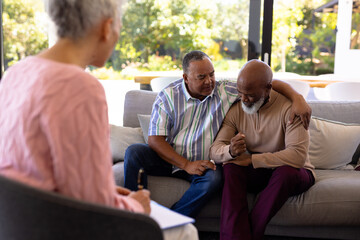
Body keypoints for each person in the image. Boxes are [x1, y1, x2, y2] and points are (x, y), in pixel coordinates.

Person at [0, 1, 197, 239]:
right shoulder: (80, 86)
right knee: (185, 231)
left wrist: (104, 191)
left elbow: (35, 171)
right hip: (60, 226)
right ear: (106, 27)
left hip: (16, 222)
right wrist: (136, 207)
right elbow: (92, 209)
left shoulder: (15, 74)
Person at [124, 50, 312, 218]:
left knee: (215, 179)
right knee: (133, 152)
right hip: (170, 159)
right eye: (201, 77)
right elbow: (155, 140)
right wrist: (185, 164)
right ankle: (134, 215)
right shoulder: (168, 96)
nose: (209, 81)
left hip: (204, 165)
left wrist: (297, 97)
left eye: (212, 74)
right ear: (186, 77)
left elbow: (265, 82)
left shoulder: (227, 91)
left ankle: (170, 222)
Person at [210, 59, 315, 240]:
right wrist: (231, 151)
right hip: (259, 173)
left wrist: (252, 160)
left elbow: (297, 157)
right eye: (241, 92)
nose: (243, 98)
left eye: (250, 94)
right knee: (230, 166)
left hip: (294, 172)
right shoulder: (236, 108)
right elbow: (215, 150)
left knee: (286, 172)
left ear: (268, 89)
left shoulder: (291, 108)